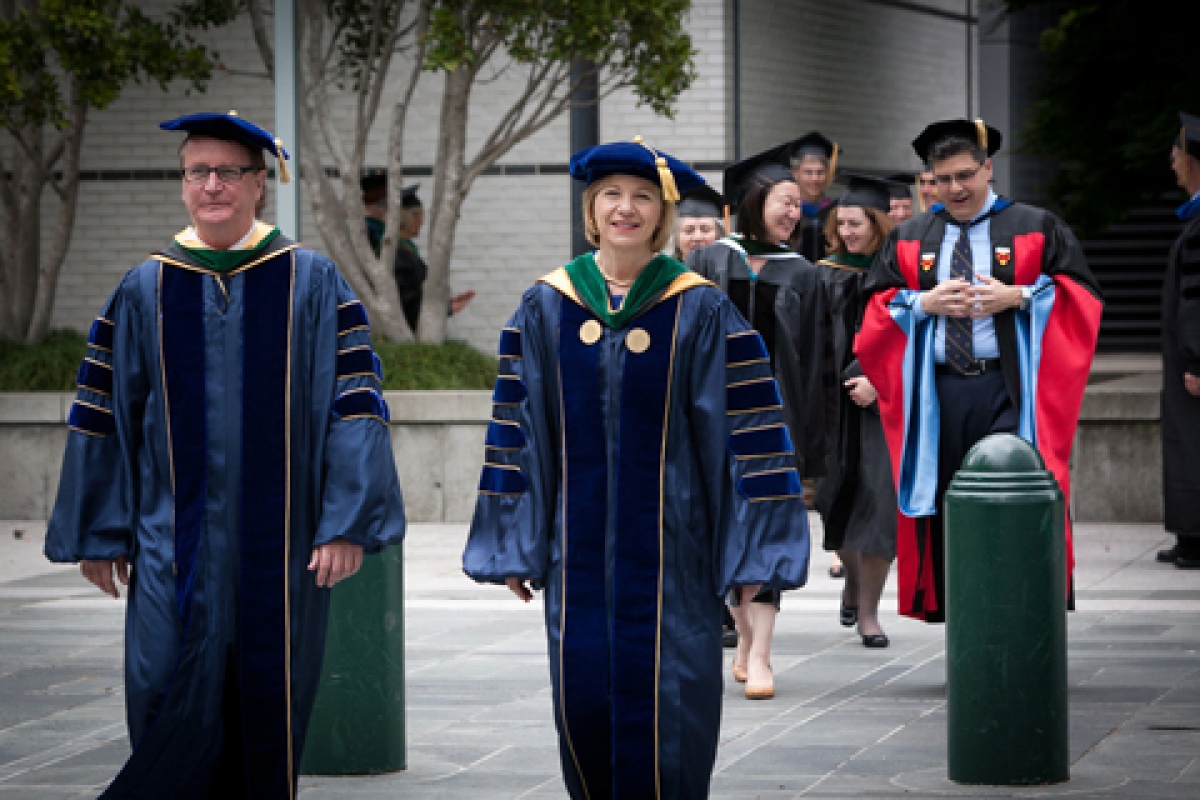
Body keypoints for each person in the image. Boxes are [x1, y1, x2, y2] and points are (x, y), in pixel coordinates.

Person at [44, 111, 407, 799]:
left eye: (228, 172)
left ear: (259, 184)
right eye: (197, 172)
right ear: (183, 184)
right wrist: (99, 529)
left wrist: (346, 520)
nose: (211, 185)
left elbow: (354, 404)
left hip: (283, 547)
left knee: (268, 704)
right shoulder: (145, 288)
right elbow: (103, 413)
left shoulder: (311, 281)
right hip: (166, 543)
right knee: (161, 690)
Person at [462, 137, 810, 798]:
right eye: (612, 197)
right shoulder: (547, 306)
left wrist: (753, 559)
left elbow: (752, 437)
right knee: (584, 707)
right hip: (579, 558)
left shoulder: (700, 307)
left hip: (676, 560)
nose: (627, 209)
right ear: (593, 210)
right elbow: (516, 427)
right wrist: (513, 541)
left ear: (662, 214)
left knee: (672, 719)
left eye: (643, 197)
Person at [856, 118, 1102, 623]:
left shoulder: (1035, 226)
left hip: (1010, 389)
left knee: (1012, 495)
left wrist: (1019, 296)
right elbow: (872, 310)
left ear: (988, 169)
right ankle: (969, 620)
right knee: (950, 505)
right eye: (942, 180)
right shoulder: (909, 237)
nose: (955, 189)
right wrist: (923, 303)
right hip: (937, 395)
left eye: (965, 175)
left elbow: (1083, 298)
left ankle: (1021, 612)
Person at [686, 142, 831, 698]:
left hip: (775, 427)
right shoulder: (706, 263)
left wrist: (812, 446)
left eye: (798, 204)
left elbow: (816, 362)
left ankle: (763, 656)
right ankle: (744, 643)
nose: (795, 212)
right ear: (753, 201)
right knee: (727, 534)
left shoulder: (804, 275)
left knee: (768, 535)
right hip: (714, 426)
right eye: (785, 200)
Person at [814, 174, 898, 647]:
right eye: (841, 223)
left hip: (879, 405)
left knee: (879, 505)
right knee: (836, 501)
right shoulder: (824, 272)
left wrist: (878, 379)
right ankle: (851, 580)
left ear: (878, 224)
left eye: (856, 223)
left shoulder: (898, 274)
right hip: (832, 404)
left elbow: (907, 337)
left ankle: (869, 613)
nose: (847, 233)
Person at [1159, 111, 1200, 570]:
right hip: (1186, 357)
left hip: (1193, 360)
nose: (1172, 165)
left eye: (1176, 157)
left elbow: (1196, 301)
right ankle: (1189, 533)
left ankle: (1196, 537)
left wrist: (1196, 359)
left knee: (1193, 443)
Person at [361, 173, 474, 332]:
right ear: (411, 218)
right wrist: (445, 309)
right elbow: (406, 303)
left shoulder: (403, 250)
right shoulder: (396, 255)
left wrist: (445, 306)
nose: (422, 222)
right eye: (420, 216)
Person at [787, 130, 840, 262]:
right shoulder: (788, 211)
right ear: (795, 173)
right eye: (808, 172)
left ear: (828, 173)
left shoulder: (836, 211)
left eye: (820, 172)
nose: (814, 179)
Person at [672, 184, 725, 260]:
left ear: (719, 236)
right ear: (677, 239)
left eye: (705, 230)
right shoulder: (665, 271)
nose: (697, 237)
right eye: (689, 231)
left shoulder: (733, 270)